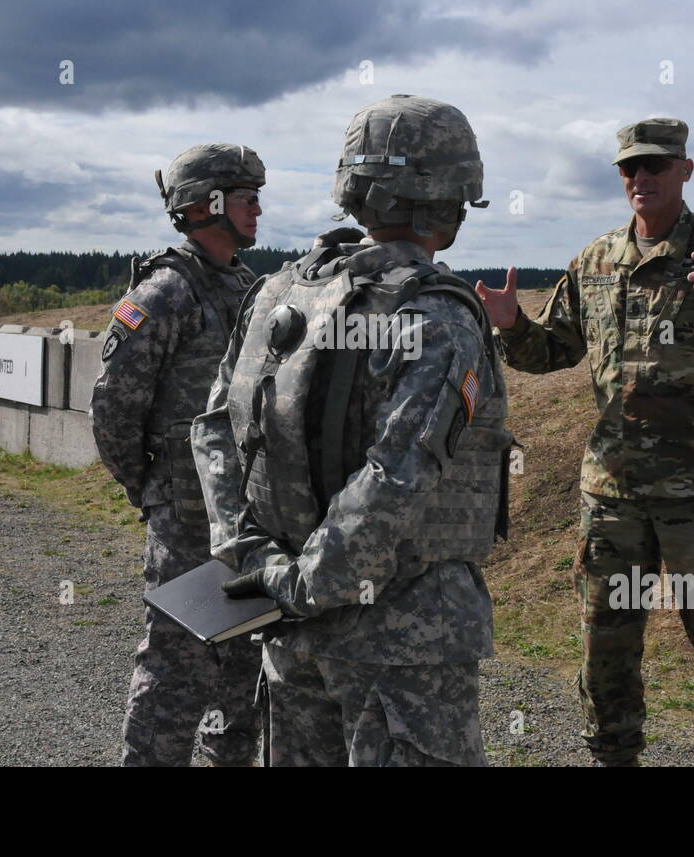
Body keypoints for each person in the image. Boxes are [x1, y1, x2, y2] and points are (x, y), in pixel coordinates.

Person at [476, 117, 694, 767]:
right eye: (629, 167)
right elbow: (554, 349)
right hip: (613, 497)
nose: (641, 177)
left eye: (657, 165)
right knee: (604, 651)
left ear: (685, 170)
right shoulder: (595, 260)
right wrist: (511, 326)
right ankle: (612, 756)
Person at [192, 94, 514, 767]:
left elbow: (217, 431)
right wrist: (307, 582)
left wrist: (253, 559)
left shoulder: (278, 294)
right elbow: (396, 478)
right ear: (451, 197)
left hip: (288, 633)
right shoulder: (438, 315)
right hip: (403, 647)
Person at [90, 142, 265, 766]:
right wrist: (154, 490)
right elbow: (113, 410)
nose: (258, 212)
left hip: (245, 517)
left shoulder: (249, 289)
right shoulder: (164, 293)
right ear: (208, 205)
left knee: (245, 665)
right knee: (176, 666)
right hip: (187, 516)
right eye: (247, 199)